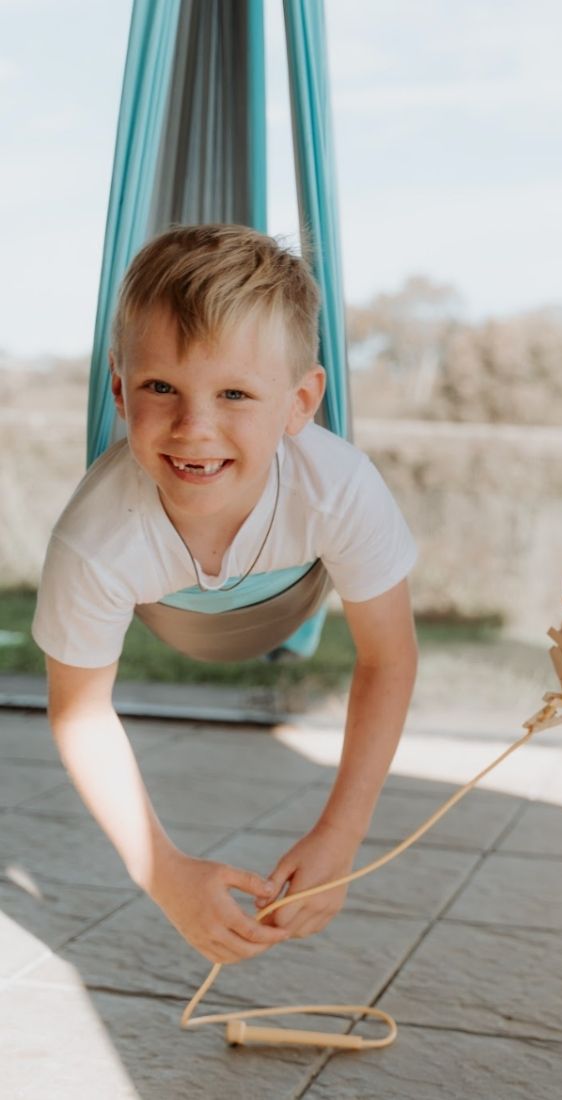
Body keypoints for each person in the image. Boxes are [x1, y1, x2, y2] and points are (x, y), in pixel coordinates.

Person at [33, 224, 418, 966]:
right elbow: (79, 711)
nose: (194, 428)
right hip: (163, 604)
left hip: (291, 592)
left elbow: (389, 660)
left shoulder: (336, 488)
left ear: (300, 402)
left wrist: (341, 834)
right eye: (159, 388)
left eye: (236, 392)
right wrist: (161, 869)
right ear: (119, 388)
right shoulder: (97, 536)